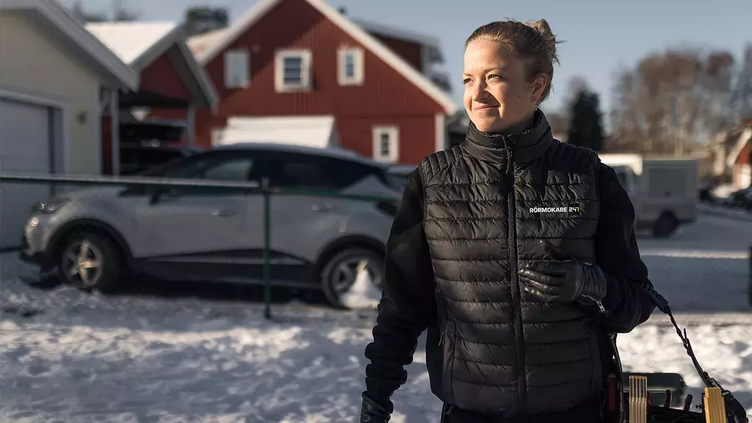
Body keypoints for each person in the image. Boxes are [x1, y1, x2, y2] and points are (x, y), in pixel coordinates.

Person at [359, 19, 656, 423]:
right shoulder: (433, 182)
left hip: (574, 412)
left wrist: (589, 283)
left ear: (537, 87)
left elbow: (637, 301)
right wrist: (377, 396)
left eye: (494, 77)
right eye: (468, 79)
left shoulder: (587, 177)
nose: (476, 93)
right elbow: (401, 305)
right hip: (470, 413)